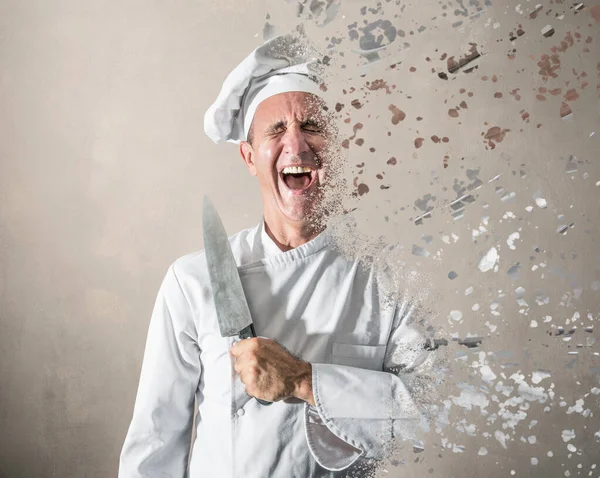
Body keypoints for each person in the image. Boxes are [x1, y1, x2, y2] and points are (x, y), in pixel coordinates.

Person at [119, 34, 432, 478]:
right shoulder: (196, 280)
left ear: (337, 148)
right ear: (249, 157)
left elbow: (439, 414)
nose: (297, 146)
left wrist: (305, 381)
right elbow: (155, 441)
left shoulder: (390, 278)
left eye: (312, 127)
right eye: (277, 130)